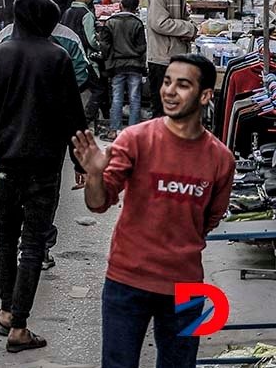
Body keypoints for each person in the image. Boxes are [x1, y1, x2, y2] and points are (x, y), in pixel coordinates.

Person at [72, 54, 234, 368]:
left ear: (204, 96)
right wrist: (94, 174)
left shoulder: (221, 158)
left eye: (183, 84)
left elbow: (211, 217)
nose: (169, 91)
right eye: (167, 82)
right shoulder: (135, 139)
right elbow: (98, 202)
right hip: (126, 282)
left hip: (187, 287)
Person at [0, 0, 86, 353]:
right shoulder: (57, 58)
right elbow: (73, 114)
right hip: (44, 165)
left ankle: (7, 309)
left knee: (5, 234)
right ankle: (19, 326)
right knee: (34, 241)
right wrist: (81, 161)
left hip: (3, 165)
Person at [147, 0, 197, 117]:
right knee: (161, 113)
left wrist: (189, 28)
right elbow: (159, 23)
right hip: (162, 59)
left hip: (176, 57)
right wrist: (189, 29)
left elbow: (183, 17)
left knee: (175, 112)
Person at [103, 0, 147, 139]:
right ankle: (133, 132)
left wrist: (108, 60)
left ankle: (114, 130)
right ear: (136, 8)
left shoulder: (110, 22)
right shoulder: (138, 23)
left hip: (117, 65)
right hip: (135, 66)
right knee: (135, 98)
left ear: (121, 5)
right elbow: (142, 47)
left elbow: (105, 46)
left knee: (117, 97)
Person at [60, 0, 104, 125]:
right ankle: (86, 118)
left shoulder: (67, 12)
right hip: (84, 59)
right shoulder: (87, 14)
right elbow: (91, 39)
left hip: (67, 57)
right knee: (98, 89)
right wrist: (100, 46)